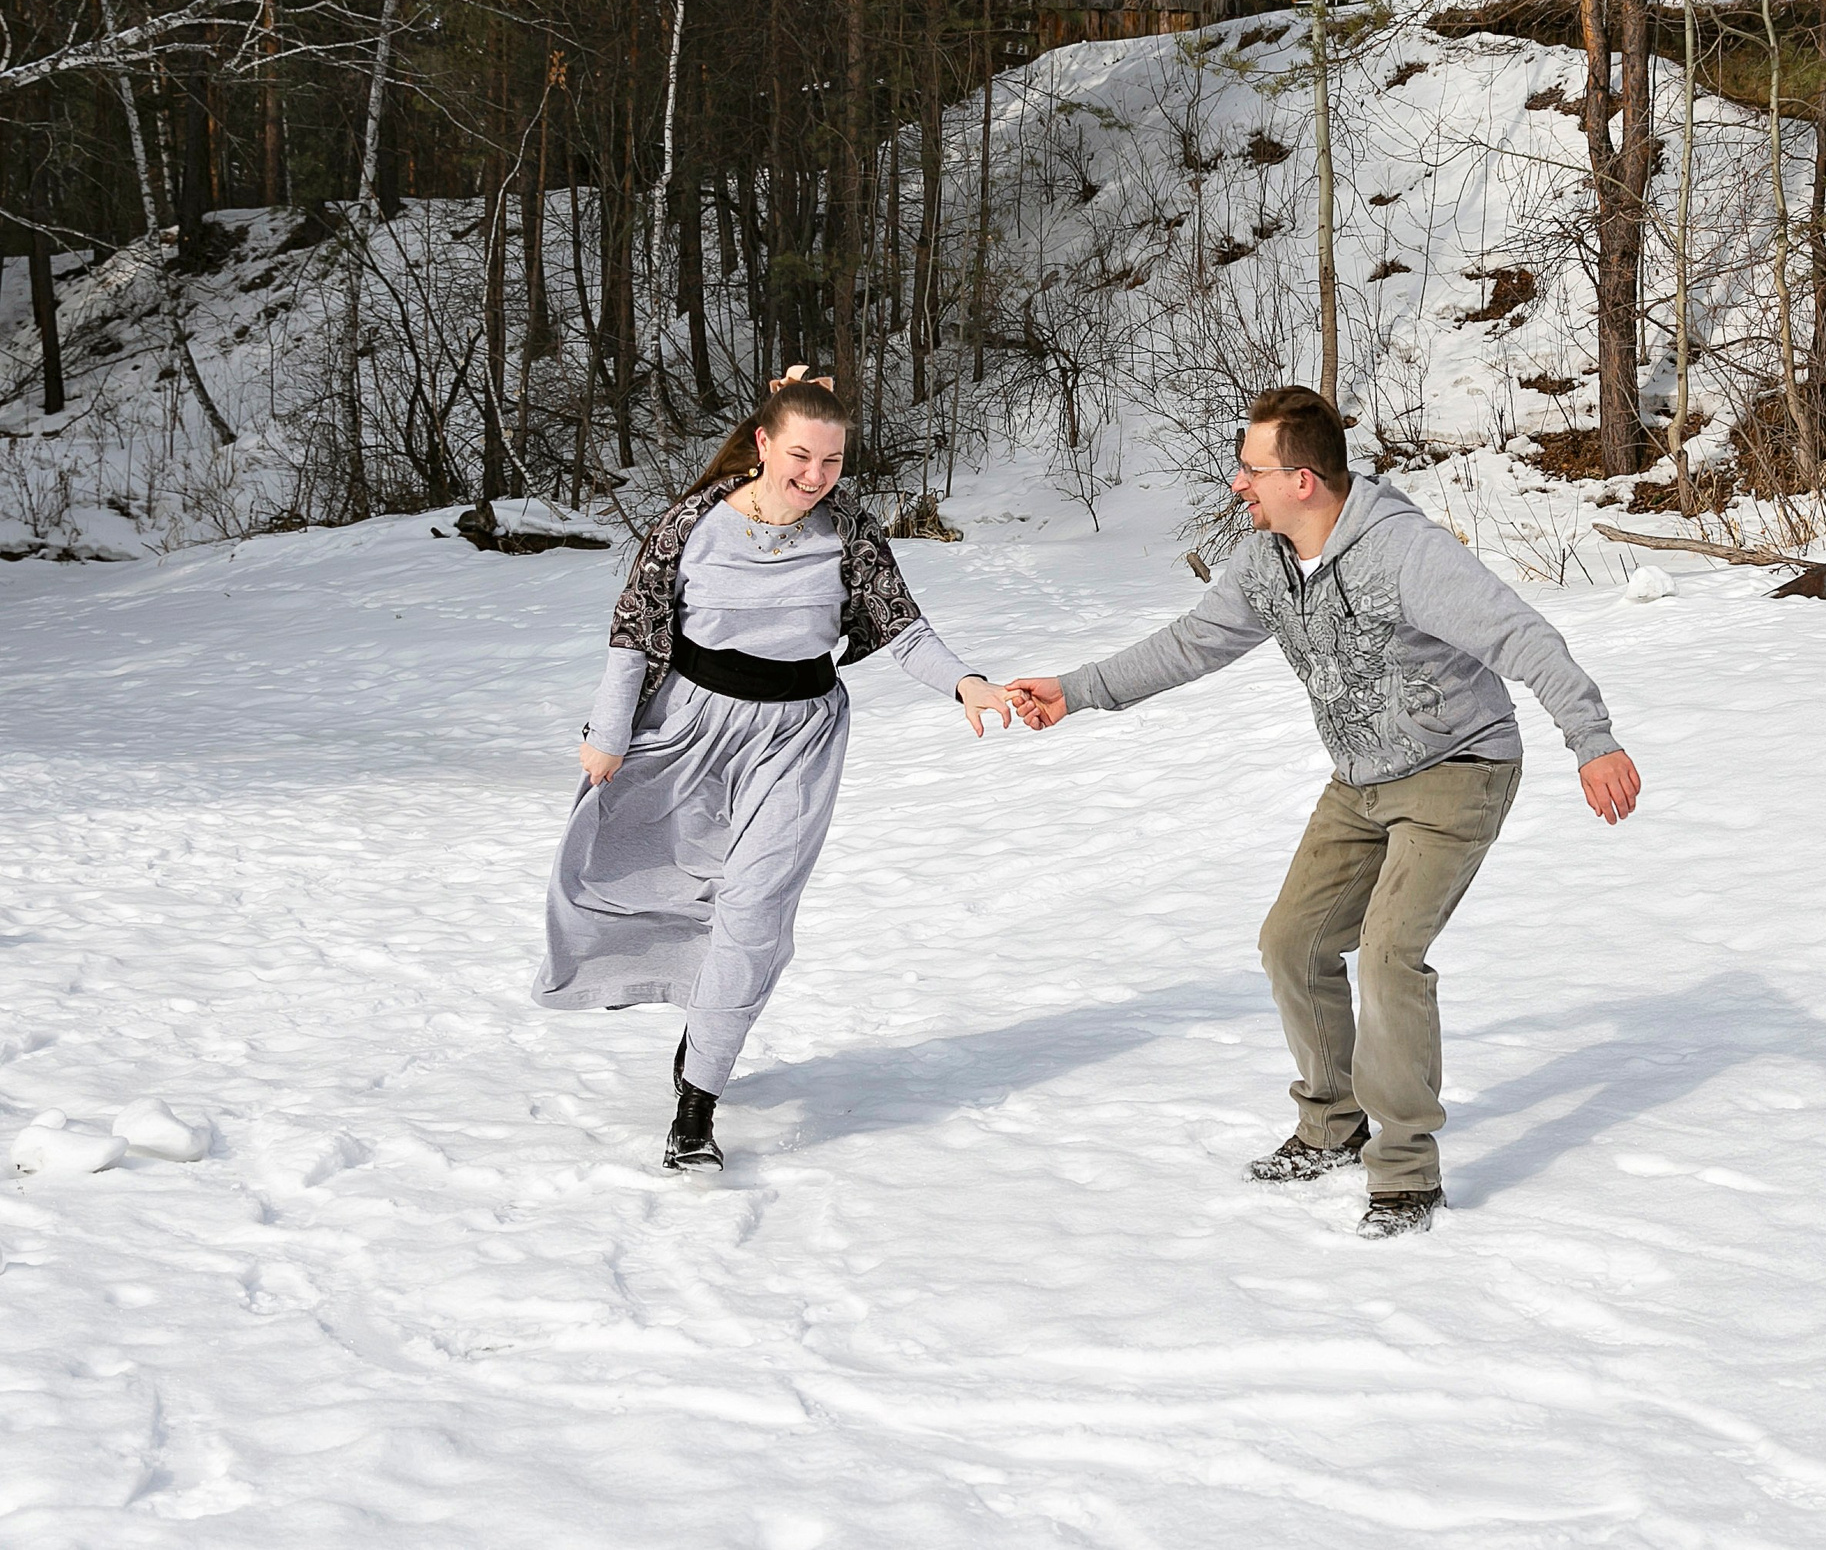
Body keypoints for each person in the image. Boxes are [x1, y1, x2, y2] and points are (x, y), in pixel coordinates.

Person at [1007, 385, 1639, 1237]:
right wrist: (1076, 691)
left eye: (1251, 468)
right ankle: (1332, 1121)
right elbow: (1192, 643)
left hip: (1460, 766)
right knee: (1291, 943)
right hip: (1362, 778)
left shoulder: (1405, 553)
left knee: (1388, 956)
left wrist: (1591, 738)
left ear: (1303, 480)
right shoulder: (1266, 564)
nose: (1239, 483)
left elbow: (1520, 635)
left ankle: (1407, 1171)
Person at [533, 366, 1011, 1172]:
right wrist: (608, 732)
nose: (815, 478)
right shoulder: (693, 523)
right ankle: (690, 1007)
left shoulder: (847, 531)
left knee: (755, 911)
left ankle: (697, 1103)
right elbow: (635, 629)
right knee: (662, 884)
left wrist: (966, 681)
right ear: (762, 444)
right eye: (800, 457)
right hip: (689, 728)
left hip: (797, 740)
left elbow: (903, 628)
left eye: (831, 463)